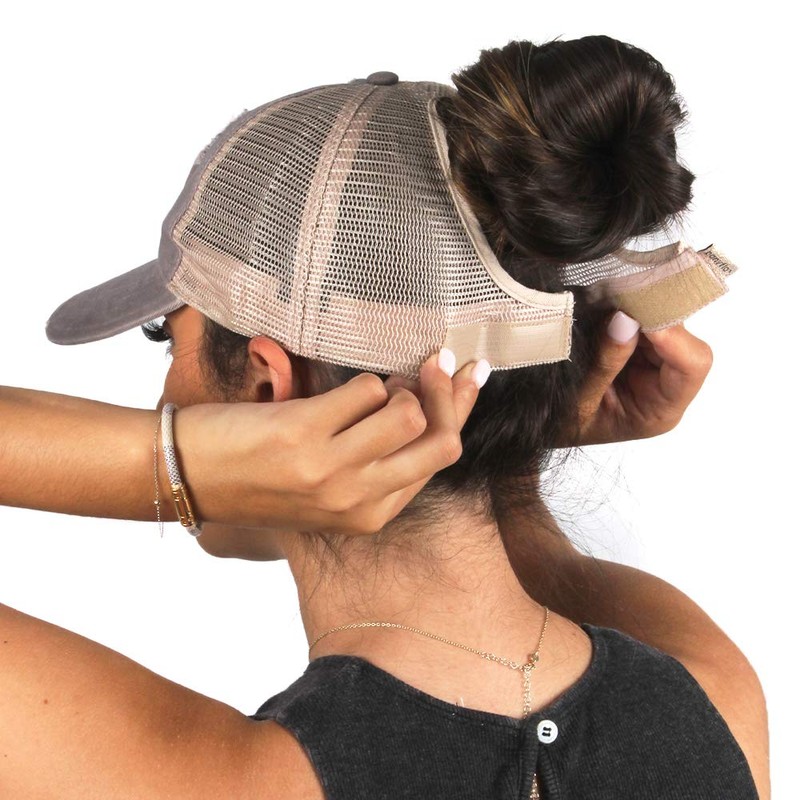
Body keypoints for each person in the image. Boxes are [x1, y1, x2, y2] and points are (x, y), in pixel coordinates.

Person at [0, 35, 768, 800]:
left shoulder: (198, 779)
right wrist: (514, 434)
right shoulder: (716, 702)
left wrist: (174, 466)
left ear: (268, 387)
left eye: (168, 339)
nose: (162, 392)